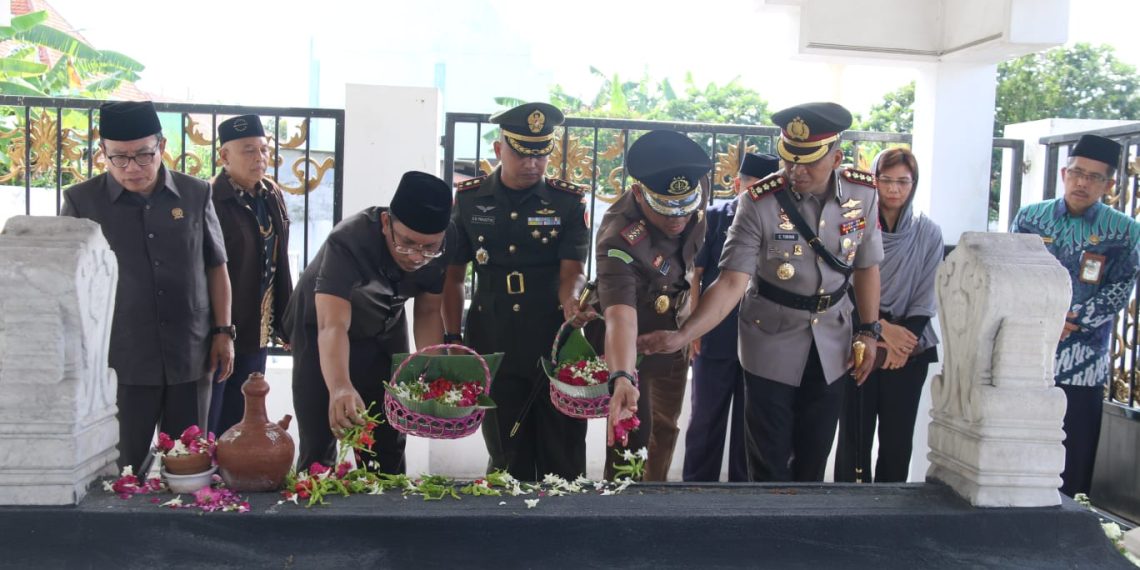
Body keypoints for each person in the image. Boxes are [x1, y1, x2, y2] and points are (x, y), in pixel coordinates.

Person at [637, 102, 884, 482]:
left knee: (814, 457)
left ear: (836, 158)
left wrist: (869, 329)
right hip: (770, 338)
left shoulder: (863, 194)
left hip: (833, 341)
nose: (795, 172)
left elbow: (866, 265)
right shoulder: (759, 202)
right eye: (789, 160)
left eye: (809, 163)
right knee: (767, 461)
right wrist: (684, 335)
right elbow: (732, 279)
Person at [60, 100, 234, 474]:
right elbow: (67, 283)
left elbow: (216, 266)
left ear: (162, 146)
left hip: (190, 351)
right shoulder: (81, 201)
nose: (132, 168)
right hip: (121, 359)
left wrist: (223, 332)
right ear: (102, 152)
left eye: (143, 155)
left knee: (188, 465)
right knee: (121, 469)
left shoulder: (195, 193)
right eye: (119, 158)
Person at [442, 102, 594, 482]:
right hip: (494, 338)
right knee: (508, 452)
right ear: (499, 150)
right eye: (523, 153)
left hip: (553, 336)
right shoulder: (470, 199)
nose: (533, 164)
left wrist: (572, 301)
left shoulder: (567, 202)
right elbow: (453, 277)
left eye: (541, 153)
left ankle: (567, 533)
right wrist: (452, 339)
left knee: (564, 450)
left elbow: (573, 271)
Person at [285, 171, 454, 472]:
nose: (417, 256)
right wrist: (339, 387)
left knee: (386, 439)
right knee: (323, 433)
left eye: (429, 248)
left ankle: (385, 512)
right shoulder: (349, 240)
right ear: (386, 223)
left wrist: (435, 377)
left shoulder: (441, 246)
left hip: (385, 326)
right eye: (407, 243)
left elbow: (428, 313)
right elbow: (332, 325)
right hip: (322, 329)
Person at [1010, 134, 1138, 497]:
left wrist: (1071, 321)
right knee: (1021, 448)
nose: (1082, 182)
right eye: (1077, 173)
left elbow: (1118, 289)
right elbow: (1013, 273)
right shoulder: (1031, 218)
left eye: (1094, 177)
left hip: (1083, 364)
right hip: (1030, 357)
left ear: (1110, 184)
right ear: (1064, 172)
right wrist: (1045, 318)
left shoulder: (1125, 232)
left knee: (1074, 456)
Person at [596, 129, 711, 481]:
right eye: (665, 208)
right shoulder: (619, 238)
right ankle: (619, 510)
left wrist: (687, 329)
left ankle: (656, 503)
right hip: (634, 341)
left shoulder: (695, 188)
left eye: (685, 207)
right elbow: (619, 317)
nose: (678, 218)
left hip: (673, 334)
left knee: (664, 427)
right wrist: (621, 375)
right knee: (628, 431)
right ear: (637, 192)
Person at [833, 147, 942, 483]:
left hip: (909, 349)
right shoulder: (855, 225)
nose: (894, 189)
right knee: (855, 437)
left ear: (914, 184)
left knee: (897, 440)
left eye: (903, 182)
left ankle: (890, 513)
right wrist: (881, 331)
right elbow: (846, 283)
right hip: (860, 340)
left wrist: (900, 344)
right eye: (886, 180)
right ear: (874, 181)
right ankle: (848, 511)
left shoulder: (928, 232)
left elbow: (926, 295)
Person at [683, 152, 778, 482]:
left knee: (748, 424)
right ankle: (696, 490)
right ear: (738, 183)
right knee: (706, 418)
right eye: (752, 184)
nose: (756, 193)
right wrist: (695, 328)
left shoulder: (780, 221)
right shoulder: (713, 216)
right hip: (715, 331)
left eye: (765, 187)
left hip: (760, 337)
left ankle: (741, 493)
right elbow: (695, 275)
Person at [208, 115, 293, 436]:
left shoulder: (270, 194)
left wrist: (287, 320)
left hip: (259, 325)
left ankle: (235, 476)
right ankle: (209, 478)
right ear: (225, 157)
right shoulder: (211, 199)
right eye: (248, 151)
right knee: (215, 413)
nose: (260, 158)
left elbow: (280, 259)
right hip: (223, 328)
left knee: (248, 411)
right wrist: (219, 328)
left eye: (263, 150)